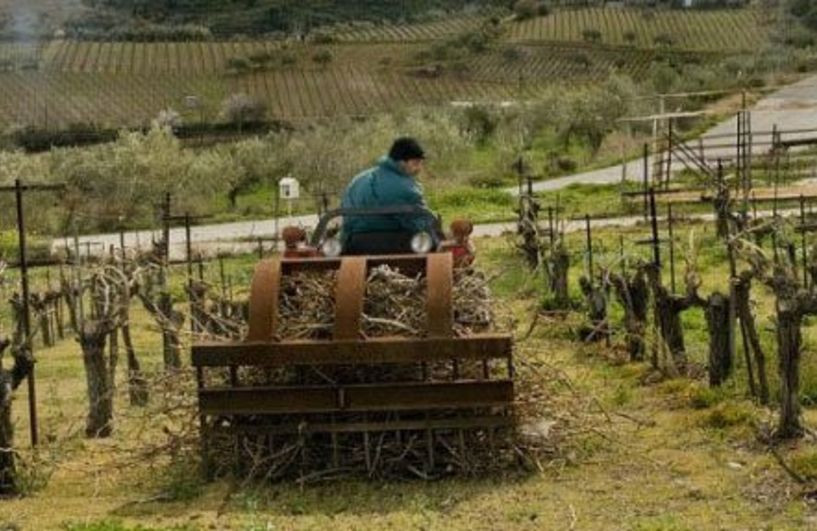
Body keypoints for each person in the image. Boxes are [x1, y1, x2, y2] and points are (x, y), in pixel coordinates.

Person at [340, 137, 440, 254]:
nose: (419, 169)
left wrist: (343, 242)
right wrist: (436, 239)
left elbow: (347, 217)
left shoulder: (358, 180)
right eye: (415, 163)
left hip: (356, 243)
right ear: (402, 162)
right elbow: (418, 222)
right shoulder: (406, 187)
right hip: (395, 243)